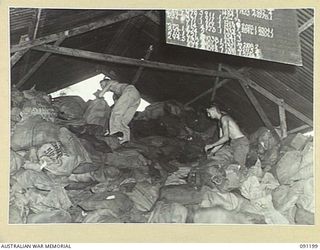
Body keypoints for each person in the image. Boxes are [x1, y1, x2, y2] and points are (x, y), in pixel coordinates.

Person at [98, 77, 141, 144]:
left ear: (106, 81)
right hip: (136, 97)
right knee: (124, 119)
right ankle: (125, 138)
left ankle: (115, 132)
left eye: (102, 84)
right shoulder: (116, 93)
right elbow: (117, 104)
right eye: (101, 86)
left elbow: (102, 93)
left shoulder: (111, 82)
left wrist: (100, 95)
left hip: (130, 90)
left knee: (116, 112)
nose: (102, 86)